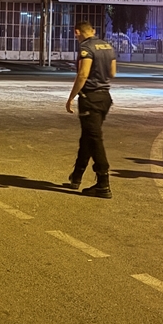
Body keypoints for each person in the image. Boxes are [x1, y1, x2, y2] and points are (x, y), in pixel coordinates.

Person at [63, 20, 117, 199]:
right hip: (105, 98)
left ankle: (103, 181)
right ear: (93, 30)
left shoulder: (86, 48)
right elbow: (112, 73)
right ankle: (76, 176)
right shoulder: (107, 46)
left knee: (94, 139)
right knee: (88, 136)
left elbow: (83, 74)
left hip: (90, 98)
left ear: (77, 32)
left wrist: (71, 97)